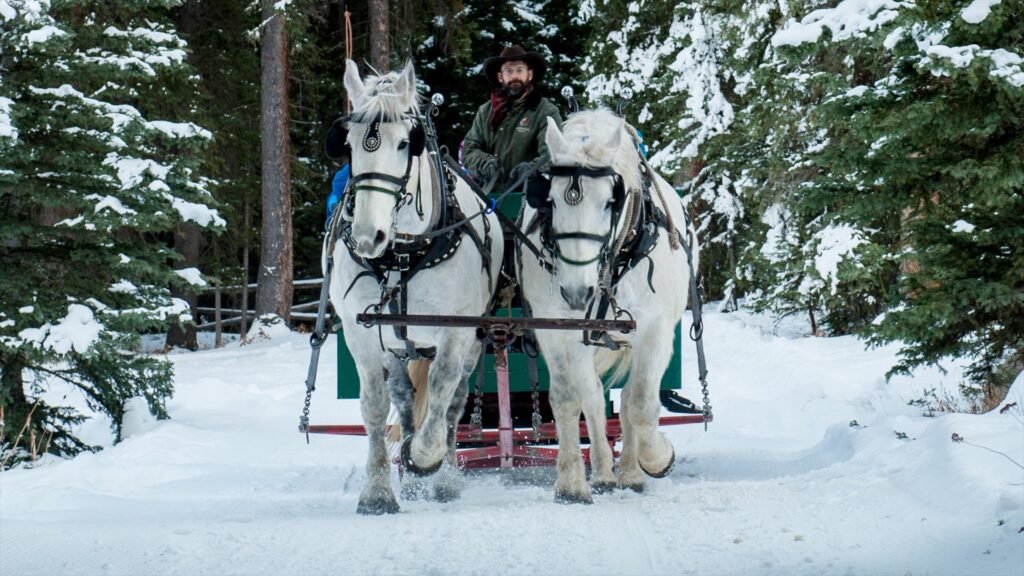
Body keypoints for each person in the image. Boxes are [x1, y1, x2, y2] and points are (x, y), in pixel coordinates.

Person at [462, 45, 563, 194]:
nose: (514, 76)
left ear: (529, 75)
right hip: (488, 199)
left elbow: (554, 153)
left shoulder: (546, 112)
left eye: (519, 70)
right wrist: (484, 163)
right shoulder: (485, 111)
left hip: (530, 201)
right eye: (509, 71)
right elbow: (469, 149)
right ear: (500, 77)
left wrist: (531, 170)